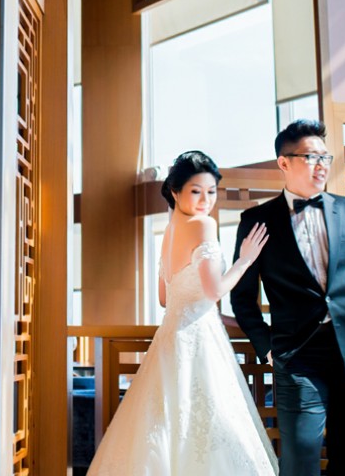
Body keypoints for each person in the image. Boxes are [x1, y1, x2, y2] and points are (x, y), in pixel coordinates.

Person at [230, 119, 345, 476]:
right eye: (311, 157)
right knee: (300, 457)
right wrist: (267, 346)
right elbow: (242, 297)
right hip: (298, 356)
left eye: (326, 157)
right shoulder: (257, 220)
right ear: (284, 162)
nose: (321, 165)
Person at [87, 150, 277, 475]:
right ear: (175, 192)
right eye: (196, 191)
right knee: (212, 430)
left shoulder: (169, 231)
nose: (206, 201)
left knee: (166, 428)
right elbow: (214, 291)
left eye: (211, 191)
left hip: (169, 340)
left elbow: (165, 298)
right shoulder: (203, 225)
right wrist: (246, 259)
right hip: (200, 342)